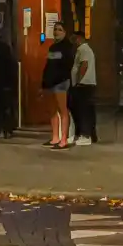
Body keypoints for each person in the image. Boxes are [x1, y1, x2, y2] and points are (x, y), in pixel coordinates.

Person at [41, 21, 75, 150]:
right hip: (50, 83)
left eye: (60, 29)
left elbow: (67, 66)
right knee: (52, 110)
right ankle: (55, 137)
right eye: (55, 29)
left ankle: (64, 139)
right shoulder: (52, 47)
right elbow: (48, 66)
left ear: (65, 32)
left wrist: (60, 78)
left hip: (61, 82)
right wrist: (44, 82)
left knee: (63, 110)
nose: (56, 32)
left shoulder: (67, 47)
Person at [68, 30, 97, 146]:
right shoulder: (85, 49)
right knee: (86, 110)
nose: (73, 42)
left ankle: (85, 135)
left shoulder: (83, 49)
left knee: (82, 111)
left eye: (74, 39)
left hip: (83, 84)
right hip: (86, 84)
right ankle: (87, 134)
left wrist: (78, 80)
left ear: (79, 38)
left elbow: (84, 65)